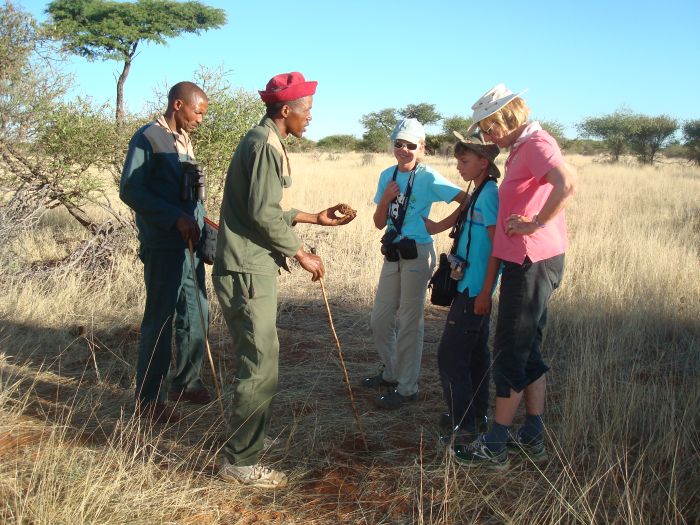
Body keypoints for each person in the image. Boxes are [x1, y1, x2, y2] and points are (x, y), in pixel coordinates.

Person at [213, 72, 355, 488]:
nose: (310, 118)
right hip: (247, 269)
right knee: (260, 364)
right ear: (286, 110)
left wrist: (315, 218)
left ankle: (251, 438)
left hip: (251, 266)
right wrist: (300, 252)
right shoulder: (263, 145)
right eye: (307, 110)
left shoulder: (266, 141)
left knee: (259, 359)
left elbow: (264, 209)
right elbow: (261, 214)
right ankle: (240, 463)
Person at [453, 84, 576, 469]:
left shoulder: (537, 143)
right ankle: (533, 435)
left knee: (509, 351)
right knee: (528, 351)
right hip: (528, 262)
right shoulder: (522, 147)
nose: (486, 138)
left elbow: (567, 183)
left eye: (488, 129)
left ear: (505, 119)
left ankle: (495, 444)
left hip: (531, 261)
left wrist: (534, 223)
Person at [120, 81, 212, 423]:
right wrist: (175, 218)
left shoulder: (184, 141)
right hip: (163, 244)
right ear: (178, 105)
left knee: (197, 311)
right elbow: (130, 190)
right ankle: (148, 400)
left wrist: (202, 221)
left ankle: (186, 383)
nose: (200, 119)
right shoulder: (148, 138)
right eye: (197, 112)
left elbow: (187, 194)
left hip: (190, 245)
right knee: (159, 320)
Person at [364, 118, 465, 410]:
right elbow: (378, 223)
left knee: (410, 321)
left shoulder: (428, 176)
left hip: (418, 253)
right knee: (380, 319)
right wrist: (384, 200)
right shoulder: (387, 175)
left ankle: (407, 387)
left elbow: (466, 199)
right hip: (393, 251)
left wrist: (438, 226)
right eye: (399, 144)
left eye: (411, 145)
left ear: (421, 148)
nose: (404, 150)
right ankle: (391, 371)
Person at [422, 133, 501, 445]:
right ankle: (476, 417)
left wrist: (485, 292)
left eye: (464, 161)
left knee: (450, 357)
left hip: (474, 291)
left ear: (484, 162)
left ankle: (463, 428)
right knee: (475, 355)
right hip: (469, 287)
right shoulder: (478, 191)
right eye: (458, 161)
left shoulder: (490, 195)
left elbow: (498, 248)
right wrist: (437, 226)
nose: (458, 167)